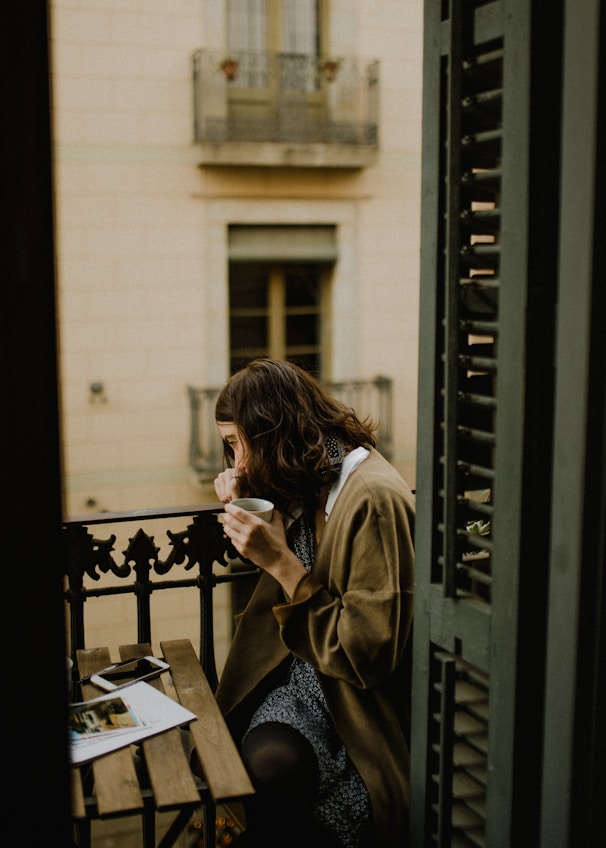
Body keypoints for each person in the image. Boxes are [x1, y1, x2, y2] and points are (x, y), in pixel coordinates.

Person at [212, 358, 415, 848]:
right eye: (228, 448)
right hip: (302, 686)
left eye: (239, 444)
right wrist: (242, 496)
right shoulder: (313, 473)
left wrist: (281, 564)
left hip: (359, 711)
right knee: (260, 765)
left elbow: (367, 656)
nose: (235, 463)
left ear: (274, 433)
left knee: (277, 788)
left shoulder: (371, 499)